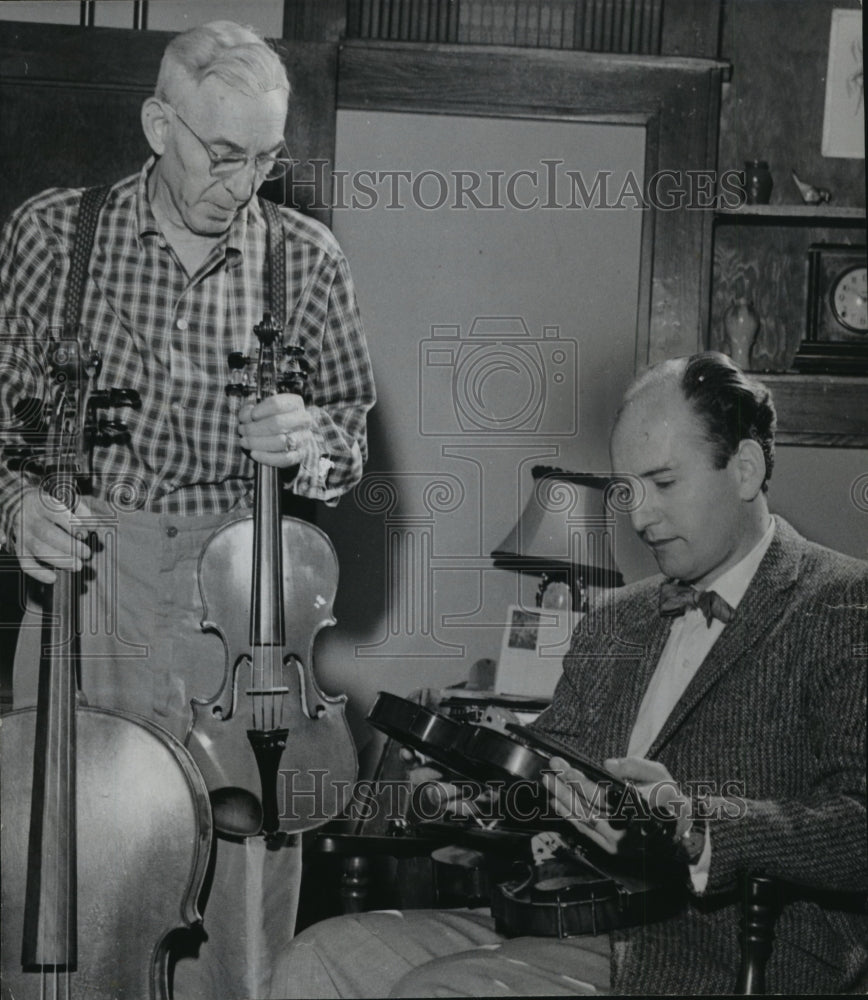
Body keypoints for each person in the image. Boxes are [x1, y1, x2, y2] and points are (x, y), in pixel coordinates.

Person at [275, 352, 867, 997]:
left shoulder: (843, 606)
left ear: (745, 469)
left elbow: (858, 822)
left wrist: (698, 824)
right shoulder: (616, 619)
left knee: (443, 991)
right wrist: (469, 796)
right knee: (319, 958)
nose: (640, 518)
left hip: (730, 950)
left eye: (664, 484)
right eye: (629, 491)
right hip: (568, 917)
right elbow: (552, 779)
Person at [0, 20, 374, 1000]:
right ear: (158, 123)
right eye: (221, 154)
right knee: (78, 881)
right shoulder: (52, 233)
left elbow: (349, 448)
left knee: (239, 901)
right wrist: (17, 508)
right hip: (91, 578)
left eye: (263, 158)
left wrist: (310, 445)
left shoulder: (308, 259)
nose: (241, 182)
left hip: (243, 600)